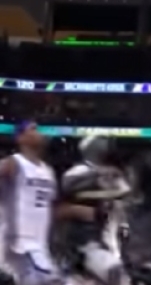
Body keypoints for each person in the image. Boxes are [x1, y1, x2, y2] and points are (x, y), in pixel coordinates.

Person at [0, 121, 94, 285]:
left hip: (39, 248)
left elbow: (49, 210)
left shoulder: (48, 171)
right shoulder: (14, 163)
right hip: (18, 246)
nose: (39, 133)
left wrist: (77, 210)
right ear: (21, 138)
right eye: (33, 129)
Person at [60, 135, 133, 285]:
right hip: (86, 241)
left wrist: (123, 222)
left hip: (109, 237)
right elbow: (68, 188)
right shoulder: (78, 171)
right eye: (101, 141)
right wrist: (98, 176)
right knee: (117, 276)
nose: (105, 146)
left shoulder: (113, 172)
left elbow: (124, 192)